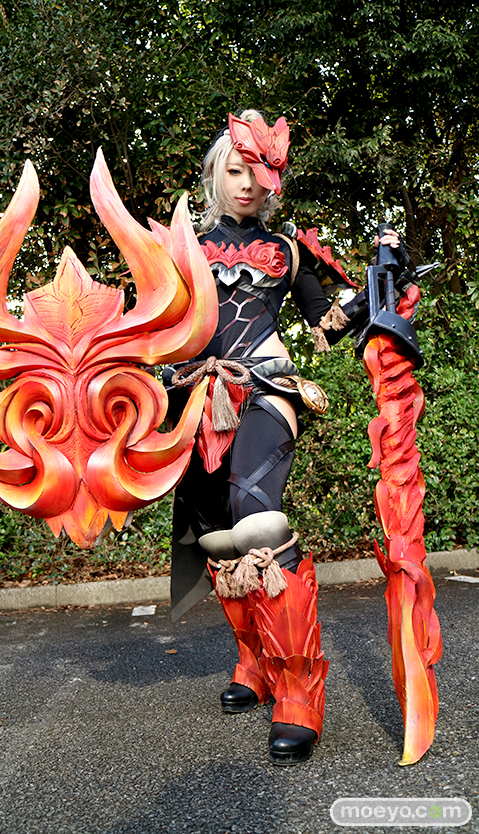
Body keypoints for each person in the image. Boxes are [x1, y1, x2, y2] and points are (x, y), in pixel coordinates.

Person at [165, 109, 403, 765]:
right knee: (214, 534)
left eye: (257, 171)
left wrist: (380, 281)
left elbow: (326, 320)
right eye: (234, 170)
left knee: (256, 511)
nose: (246, 183)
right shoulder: (180, 246)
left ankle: (299, 690)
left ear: (273, 179)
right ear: (215, 176)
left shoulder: (292, 248)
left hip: (268, 383)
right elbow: (156, 324)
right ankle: (256, 660)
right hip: (196, 394)